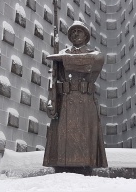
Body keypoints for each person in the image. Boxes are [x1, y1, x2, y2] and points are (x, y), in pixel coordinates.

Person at [43, 21, 108, 175]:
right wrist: (51, 100)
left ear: (86, 35)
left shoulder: (94, 54)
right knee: (62, 141)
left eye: (80, 31)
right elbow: (54, 80)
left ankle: (83, 167)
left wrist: (63, 59)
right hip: (65, 101)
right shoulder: (62, 54)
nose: (76, 34)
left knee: (83, 141)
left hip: (85, 103)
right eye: (73, 31)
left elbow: (93, 62)